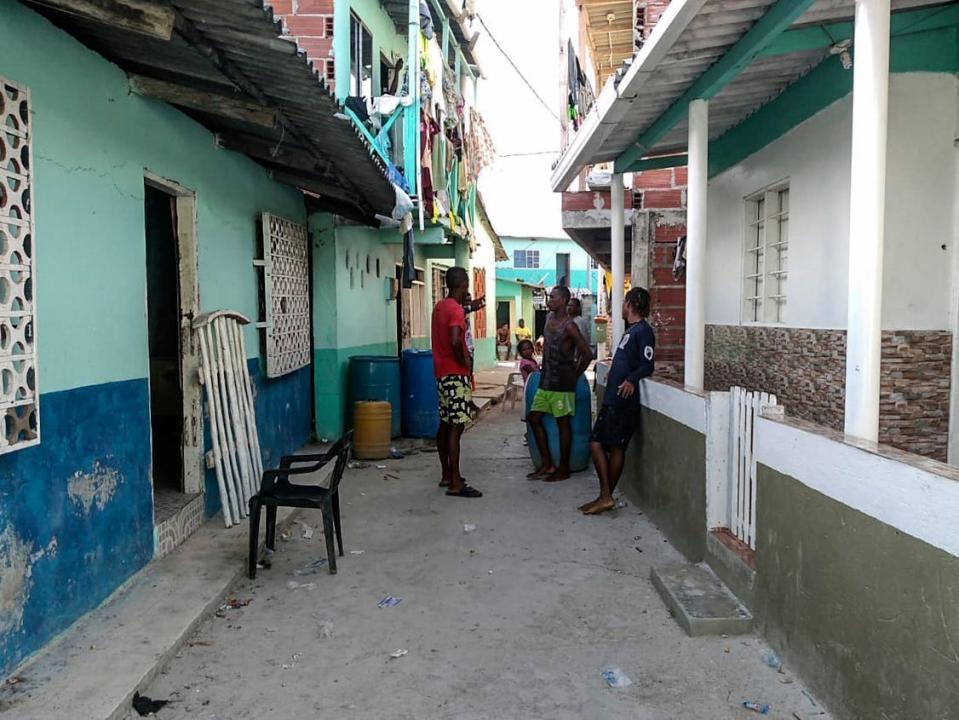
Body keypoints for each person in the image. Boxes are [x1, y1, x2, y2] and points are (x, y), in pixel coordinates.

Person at [580, 287, 655, 515]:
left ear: (631, 304)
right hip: (615, 397)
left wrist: (631, 379)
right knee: (613, 446)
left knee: (597, 443)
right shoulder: (631, 331)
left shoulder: (644, 331)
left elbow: (647, 364)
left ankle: (605, 496)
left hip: (622, 400)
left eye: (624, 302)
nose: (621, 307)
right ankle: (605, 496)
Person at [526, 286, 592, 482]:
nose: (550, 300)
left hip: (563, 385)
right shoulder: (548, 320)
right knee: (533, 419)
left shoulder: (570, 326)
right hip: (545, 383)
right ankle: (547, 464)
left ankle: (563, 469)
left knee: (563, 425)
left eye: (553, 297)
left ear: (563, 300)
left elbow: (587, 353)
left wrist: (575, 375)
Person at [431, 267, 482, 498]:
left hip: (441, 373)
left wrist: (473, 306)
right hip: (455, 374)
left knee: (445, 423)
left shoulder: (441, 306)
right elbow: (454, 339)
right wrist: (464, 360)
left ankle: (447, 474)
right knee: (457, 426)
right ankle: (455, 482)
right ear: (463, 283)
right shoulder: (456, 311)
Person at [567, 297, 593, 364]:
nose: (569, 308)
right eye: (568, 305)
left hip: (575, 358)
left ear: (578, 308)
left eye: (572, 306)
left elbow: (582, 341)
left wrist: (577, 358)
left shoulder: (580, 322)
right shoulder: (566, 320)